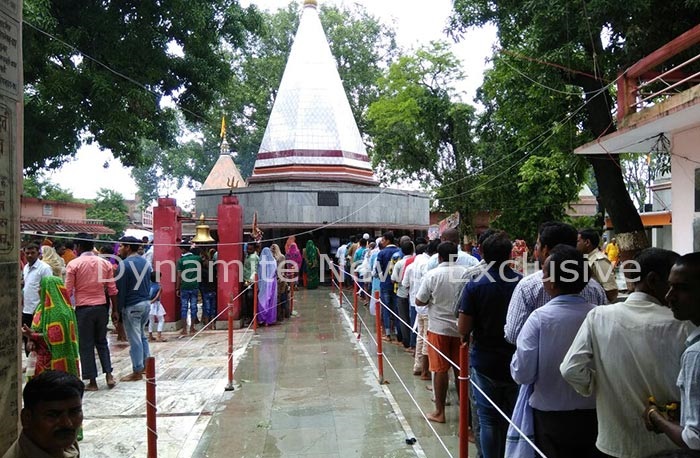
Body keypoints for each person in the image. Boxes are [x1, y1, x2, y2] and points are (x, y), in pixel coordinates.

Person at [561, 248, 695, 457]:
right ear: (652, 280)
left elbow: (570, 369)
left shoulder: (599, 317)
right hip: (671, 445)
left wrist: (603, 383)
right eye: (670, 285)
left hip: (616, 442)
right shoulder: (684, 324)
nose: (671, 295)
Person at [511, 245, 602, 458]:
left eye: (543, 272)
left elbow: (522, 373)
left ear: (551, 282)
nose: (541, 278)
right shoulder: (601, 316)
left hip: (550, 416)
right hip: (594, 413)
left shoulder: (539, 319)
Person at [458, 232, 521, 458]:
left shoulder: (475, 285)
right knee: (516, 417)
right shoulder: (522, 283)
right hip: (516, 360)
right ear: (510, 254)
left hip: (484, 361)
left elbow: (463, 328)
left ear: (482, 253)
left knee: (488, 419)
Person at [504, 221, 608, 344]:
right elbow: (604, 329)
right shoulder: (595, 288)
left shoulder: (528, 287)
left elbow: (513, 334)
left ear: (546, 250)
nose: (536, 249)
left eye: (538, 244)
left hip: (541, 361)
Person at [644, 252, 700, 451]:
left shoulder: (695, 354)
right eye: (670, 287)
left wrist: (655, 417)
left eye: (682, 288)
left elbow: (694, 439)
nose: (669, 297)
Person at [416, 241, 468, 423]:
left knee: (439, 370)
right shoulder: (466, 274)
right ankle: (465, 416)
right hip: (461, 329)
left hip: (438, 329)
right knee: (461, 371)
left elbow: (420, 301)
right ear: (457, 256)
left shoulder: (433, 275)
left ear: (439, 256)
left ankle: (440, 411)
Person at [65, 234, 117, 391]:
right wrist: (115, 310)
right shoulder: (105, 263)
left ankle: (92, 381)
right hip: (102, 307)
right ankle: (109, 375)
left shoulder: (73, 265)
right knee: (102, 342)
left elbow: (67, 291)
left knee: (86, 345)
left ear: (78, 247)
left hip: (83, 308)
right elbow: (112, 290)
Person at [2, 371, 84, 458]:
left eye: (74, 412)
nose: (67, 423)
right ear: (26, 418)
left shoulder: (63, 443)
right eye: (53, 415)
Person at [22, 276, 80, 378]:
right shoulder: (40, 308)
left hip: (54, 363)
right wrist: (30, 339)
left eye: (41, 286)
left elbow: (55, 338)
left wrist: (33, 335)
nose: (38, 289)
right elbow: (35, 329)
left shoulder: (61, 313)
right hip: (39, 363)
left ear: (49, 289)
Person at [116, 236, 152, 382]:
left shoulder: (124, 264)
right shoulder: (145, 262)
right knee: (142, 336)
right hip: (145, 303)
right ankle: (147, 366)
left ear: (128, 247)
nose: (119, 249)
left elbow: (121, 290)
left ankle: (137, 370)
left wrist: (117, 311)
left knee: (135, 338)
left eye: (121, 246)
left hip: (132, 305)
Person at [403, 242, 431, 379]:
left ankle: (418, 365)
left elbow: (404, 284)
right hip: (426, 305)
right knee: (426, 337)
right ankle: (425, 370)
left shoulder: (410, 265)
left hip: (415, 302)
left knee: (420, 335)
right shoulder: (428, 265)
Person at [22, 243, 53, 356]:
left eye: (32, 253)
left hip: (39, 311)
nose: (29, 255)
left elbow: (48, 289)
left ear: (38, 254)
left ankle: (40, 370)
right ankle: (31, 370)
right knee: (27, 341)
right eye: (27, 253)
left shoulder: (44, 268)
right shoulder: (26, 267)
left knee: (38, 342)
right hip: (27, 310)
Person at [577, 229, 618, 302]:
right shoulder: (586, 258)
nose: (575, 245)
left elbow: (611, 291)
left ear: (587, 242)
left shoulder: (599, 260)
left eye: (578, 241)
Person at [374, 231, 402, 342]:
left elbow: (378, 268)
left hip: (385, 284)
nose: (381, 242)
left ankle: (388, 333)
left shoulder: (381, 253)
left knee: (385, 308)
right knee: (396, 308)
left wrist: (382, 279)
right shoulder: (399, 252)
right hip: (396, 284)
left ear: (387, 240)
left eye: (382, 240)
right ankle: (397, 331)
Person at [176, 243, 201, 336]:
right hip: (195, 285)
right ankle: (192, 328)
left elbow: (179, 276)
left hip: (184, 286)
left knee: (184, 307)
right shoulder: (197, 258)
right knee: (194, 307)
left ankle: (184, 329)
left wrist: (177, 288)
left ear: (183, 249)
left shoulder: (181, 261)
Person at [257, 247, 278, 325]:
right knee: (271, 301)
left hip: (263, 284)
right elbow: (275, 272)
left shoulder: (261, 262)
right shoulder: (274, 261)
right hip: (272, 284)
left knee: (262, 299)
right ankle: (269, 320)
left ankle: (261, 319)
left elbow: (258, 273)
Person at [242, 242, 260, 326]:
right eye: (248, 249)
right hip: (247, 280)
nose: (248, 250)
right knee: (248, 300)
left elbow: (254, 271)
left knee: (250, 300)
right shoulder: (248, 256)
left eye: (250, 249)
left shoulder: (253, 257)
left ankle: (252, 317)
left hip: (250, 282)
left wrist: (248, 284)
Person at [199, 248, 218, 330]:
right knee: (212, 308)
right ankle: (212, 324)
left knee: (207, 308)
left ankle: (207, 324)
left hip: (206, 290)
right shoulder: (213, 269)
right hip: (212, 290)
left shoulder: (202, 270)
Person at [147, 271, 167, 342]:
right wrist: (152, 301)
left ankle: (150, 336)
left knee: (151, 321)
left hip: (148, 305)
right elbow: (157, 296)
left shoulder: (148, 285)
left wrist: (148, 302)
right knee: (161, 320)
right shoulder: (159, 287)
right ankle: (159, 335)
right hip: (156, 304)